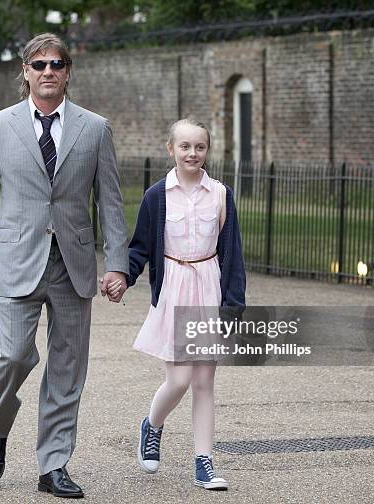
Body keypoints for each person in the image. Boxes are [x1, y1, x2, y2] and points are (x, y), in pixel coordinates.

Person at [0, 33, 128, 499]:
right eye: (39, 64)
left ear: (68, 71)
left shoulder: (95, 129)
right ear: (25, 72)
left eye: (57, 63)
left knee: (68, 368)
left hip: (73, 265)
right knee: (12, 355)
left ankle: (53, 466)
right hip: (15, 261)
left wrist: (118, 264)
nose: (48, 71)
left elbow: (110, 201)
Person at [126, 118, 246, 490]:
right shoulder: (156, 196)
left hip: (208, 287)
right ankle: (153, 424)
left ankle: (204, 462)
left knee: (204, 381)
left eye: (199, 147)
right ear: (171, 149)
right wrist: (123, 277)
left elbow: (232, 255)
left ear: (207, 151)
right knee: (178, 379)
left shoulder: (221, 195)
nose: (192, 153)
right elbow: (140, 248)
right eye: (185, 147)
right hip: (175, 289)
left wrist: (233, 305)